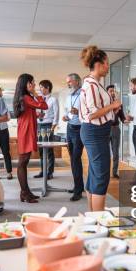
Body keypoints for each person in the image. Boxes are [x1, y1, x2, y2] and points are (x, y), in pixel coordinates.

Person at [80, 46, 122, 211]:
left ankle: (93, 216)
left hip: (97, 132)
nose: (108, 66)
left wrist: (112, 108)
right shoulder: (91, 85)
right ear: (99, 63)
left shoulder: (95, 84)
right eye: (107, 63)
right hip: (94, 132)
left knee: (94, 173)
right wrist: (113, 104)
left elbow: (97, 110)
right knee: (101, 175)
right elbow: (92, 114)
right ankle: (98, 218)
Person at [13, 73, 48, 203]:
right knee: (22, 162)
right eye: (32, 83)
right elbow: (44, 105)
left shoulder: (25, 97)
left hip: (26, 129)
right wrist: (36, 93)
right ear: (26, 84)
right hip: (26, 131)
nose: (34, 84)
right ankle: (24, 193)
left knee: (24, 162)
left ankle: (26, 192)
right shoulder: (26, 97)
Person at [62, 73, 84, 201]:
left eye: (69, 81)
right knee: (73, 159)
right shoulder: (69, 96)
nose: (68, 84)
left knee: (76, 158)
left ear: (77, 81)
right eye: (67, 82)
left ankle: (78, 190)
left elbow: (89, 111)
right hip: (69, 128)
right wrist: (66, 116)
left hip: (80, 129)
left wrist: (79, 112)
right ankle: (78, 186)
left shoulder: (84, 94)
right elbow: (67, 110)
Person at [35, 80, 59, 180]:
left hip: (48, 125)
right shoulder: (38, 99)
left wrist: (53, 128)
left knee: (49, 150)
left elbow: (56, 114)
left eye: (41, 87)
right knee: (41, 150)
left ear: (47, 87)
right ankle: (42, 171)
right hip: (39, 125)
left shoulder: (53, 99)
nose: (40, 89)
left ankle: (50, 172)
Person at [106, 85, 127, 179]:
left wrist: (126, 120)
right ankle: (105, 173)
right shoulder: (104, 104)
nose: (112, 92)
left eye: (114, 91)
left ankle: (114, 172)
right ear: (107, 93)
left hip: (115, 129)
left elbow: (122, 117)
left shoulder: (119, 104)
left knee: (115, 152)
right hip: (106, 129)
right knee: (105, 153)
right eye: (110, 91)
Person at [0, 87, 13, 180]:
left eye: (0, 91)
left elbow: (8, 117)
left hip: (3, 130)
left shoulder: (4, 103)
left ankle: (9, 172)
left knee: (6, 152)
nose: (0, 93)